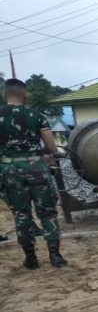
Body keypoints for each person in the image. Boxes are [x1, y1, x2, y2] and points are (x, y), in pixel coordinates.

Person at [0, 78, 67, 269]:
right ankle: (55, 256)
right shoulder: (35, 116)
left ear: (6, 94)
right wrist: (46, 153)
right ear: (24, 94)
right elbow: (51, 147)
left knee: (21, 215)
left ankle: (31, 258)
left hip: (10, 170)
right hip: (37, 169)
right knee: (47, 213)